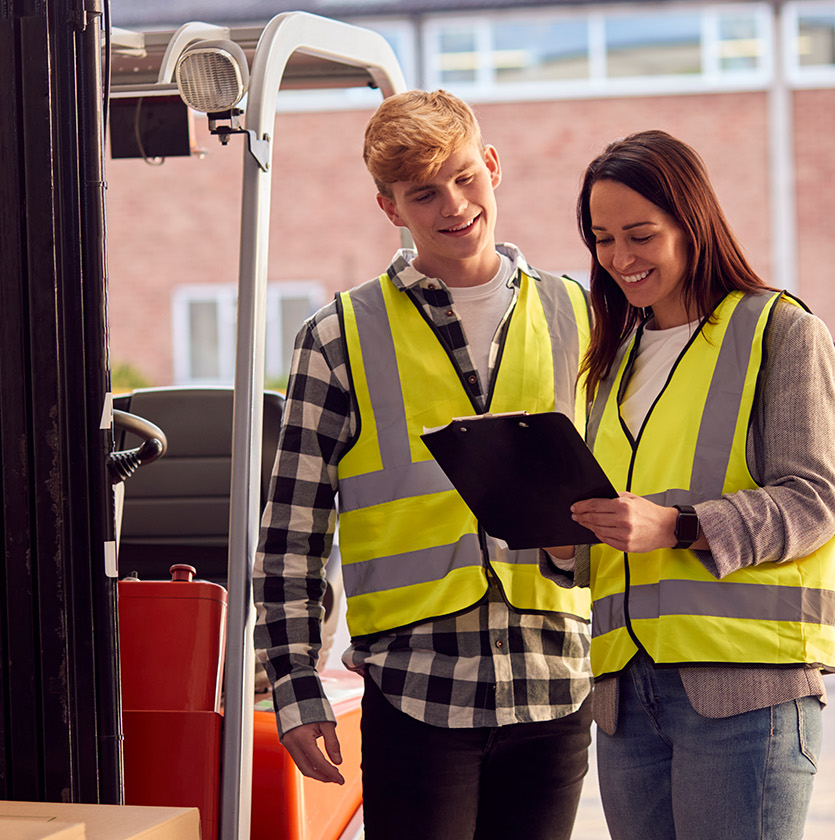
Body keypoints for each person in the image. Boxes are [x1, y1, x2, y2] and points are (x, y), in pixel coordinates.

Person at [253, 89, 595, 840]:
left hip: (555, 687)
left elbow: (622, 497)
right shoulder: (338, 336)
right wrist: (295, 687)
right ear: (389, 208)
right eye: (423, 193)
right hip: (418, 692)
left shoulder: (580, 314)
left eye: (466, 178)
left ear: (493, 166)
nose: (454, 205)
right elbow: (289, 538)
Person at [545, 130, 835, 840]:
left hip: (742, 690)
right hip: (624, 695)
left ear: (693, 221)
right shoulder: (613, 362)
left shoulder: (780, 331)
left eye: (641, 235)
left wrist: (678, 526)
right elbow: (617, 529)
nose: (620, 259)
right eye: (603, 238)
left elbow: (813, 500)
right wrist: (562, 542)